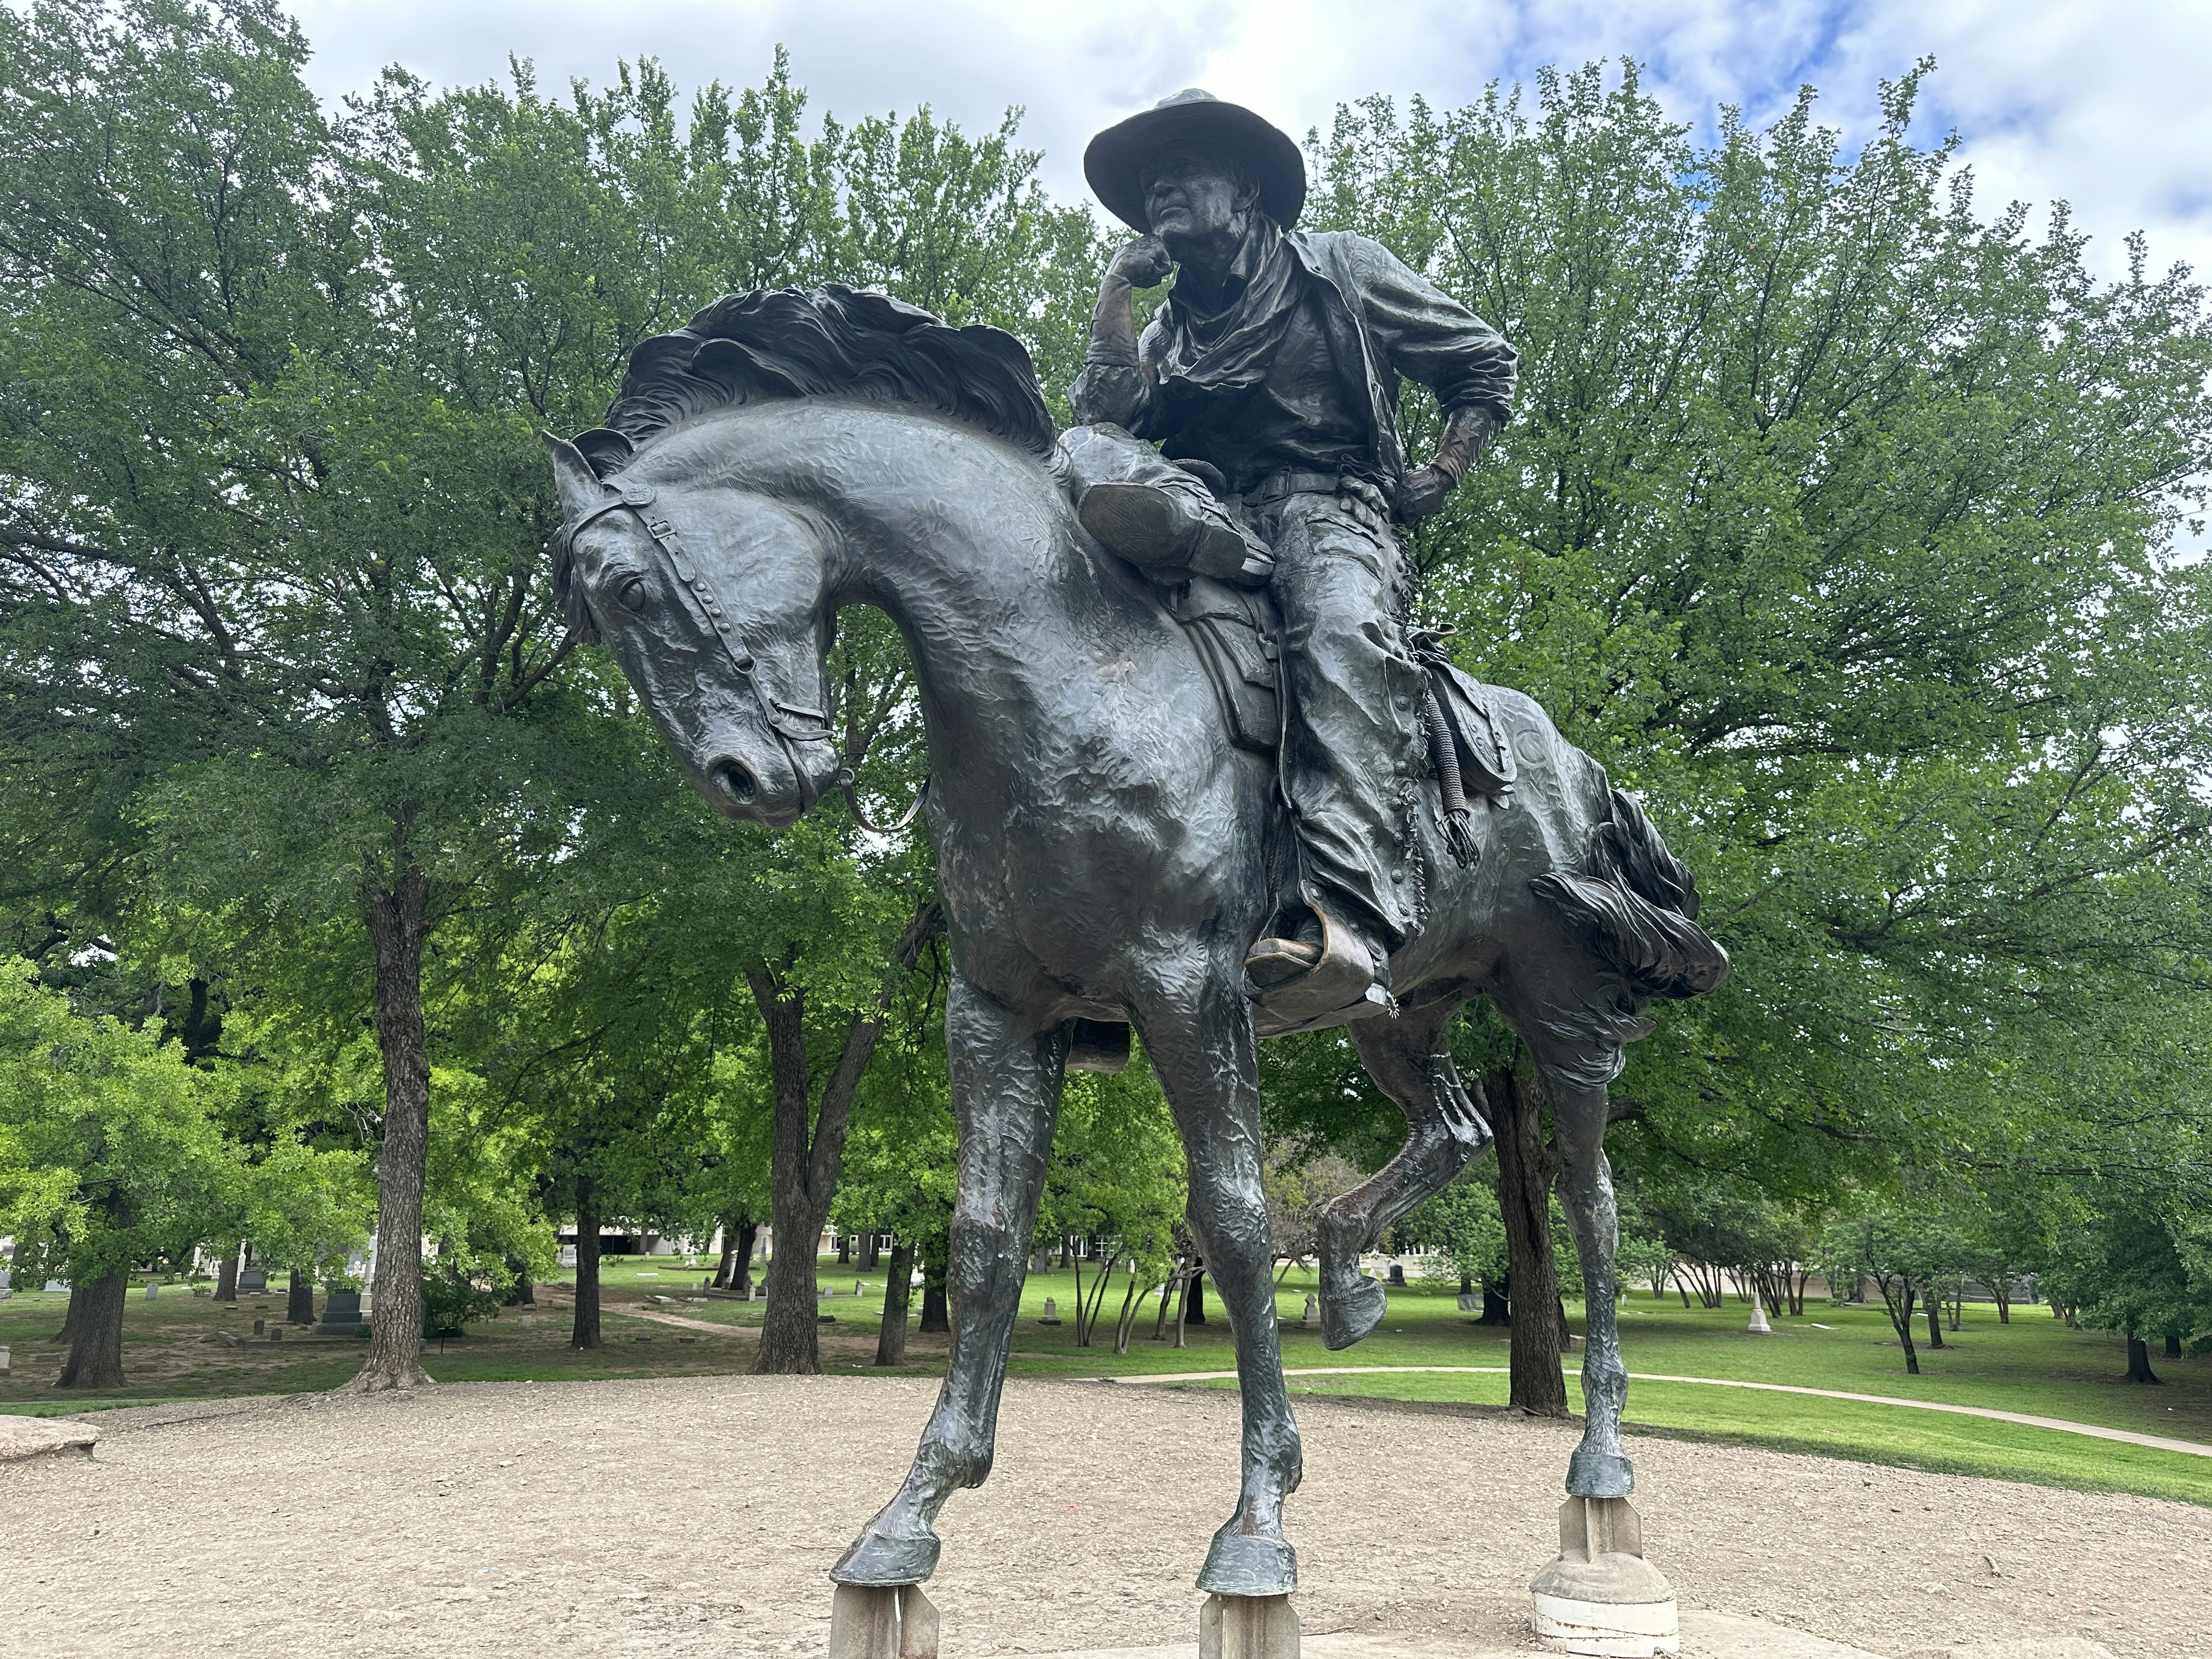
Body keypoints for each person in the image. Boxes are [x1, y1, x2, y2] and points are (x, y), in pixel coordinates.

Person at [1067, 89, 1516, 1022]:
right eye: (1150, 181)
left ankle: (1344, 916)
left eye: (1181, 169)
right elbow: (1107, 412)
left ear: (1243, 187)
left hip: (1328, 510)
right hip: (1208, 520)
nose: (1159, 190)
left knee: (1338, 631)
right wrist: (1116, 292)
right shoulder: (1166, 327)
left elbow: (1483, 359)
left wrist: (1443, 467)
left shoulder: (1338, 269)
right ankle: (1086, 932)